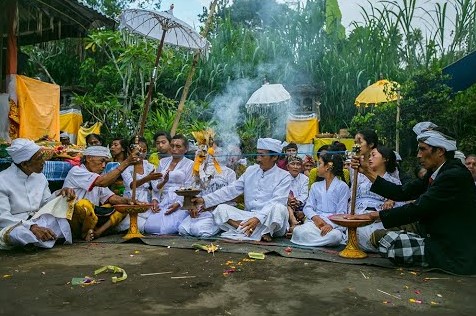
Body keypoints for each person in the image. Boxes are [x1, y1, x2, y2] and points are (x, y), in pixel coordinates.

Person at [347, 122, 476, 275]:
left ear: (440, 151)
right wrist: (367, 171)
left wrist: (374, 215)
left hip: (451, 251)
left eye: (422, 149)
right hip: (431, 230)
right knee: (378, 233)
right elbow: (402, 192)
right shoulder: (435, 172)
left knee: (383, 239)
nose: (418, 155)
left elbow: (419, 208)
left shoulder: (453, 175)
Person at [192, 138, 291, 242]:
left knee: (279, 208)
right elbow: (231, 190)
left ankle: (260, 231)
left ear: (274, 157)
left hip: (269, 219)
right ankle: (250, 231)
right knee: (221, 209)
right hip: (248, 216)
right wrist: (203, 200)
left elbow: (277, 201)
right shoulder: (251, 170)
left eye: (262, 155)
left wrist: (258, 219)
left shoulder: (284, 176)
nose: (258, 159)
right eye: (257, 155)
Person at [0, 139, 75, 249]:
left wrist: (60, 193)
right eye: (39, 158)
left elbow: (45, 203)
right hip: (15, 224)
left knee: (62, 212)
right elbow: (3, 217)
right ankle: (40, 239)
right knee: (19, 234)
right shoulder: (2, 180)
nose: (43, 161)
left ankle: (40, 239)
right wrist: (31, 227)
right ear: (25, 164)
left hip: (37, 219)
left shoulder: (40, 177)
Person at [64, 146, 138, 241]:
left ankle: (97, 232)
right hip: (75, 218)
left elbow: (111, 197)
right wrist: (127, 162)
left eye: (105, 163)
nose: (103, 166)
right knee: (83, 205)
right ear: (88, 158)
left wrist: (129, 201)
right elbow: (103, 182)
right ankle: (84, 234)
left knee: (124, 207)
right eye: (101, 161)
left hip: (93, 216)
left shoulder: (97, 176)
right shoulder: (76, 171)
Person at [291, 153, 350, 246]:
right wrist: (316, 218)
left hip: (333, 225)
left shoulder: (342, 187)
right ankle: (321, 241)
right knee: (298, 231)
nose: (317, 168)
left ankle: (311, 241)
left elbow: (342, 212)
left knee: (335, 236)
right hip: (315, 222)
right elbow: (308, 207)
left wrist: (330, 225)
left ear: (328, 167)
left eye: (320, 164)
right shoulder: (315, 186)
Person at [178, 146, 237, 237]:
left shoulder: (229, 173)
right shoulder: (200, 171)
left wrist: (210, 205)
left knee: (200, 231)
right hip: (200, 210)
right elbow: (192, 191)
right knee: (182, 229)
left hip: (216, 211)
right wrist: (192, 206)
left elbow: (232, 196)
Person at [354, 145, 403, 252]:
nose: (370, 158)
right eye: (369, 156)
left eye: (374, 155)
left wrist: (391, 201)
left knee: (375, 234)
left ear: (385, 159)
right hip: (358, 215)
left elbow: (401, 204)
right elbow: (353, 198)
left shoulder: (393, 182)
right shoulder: (362, 179)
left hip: (377, 219)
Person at [144, 134, 194, 235]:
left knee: (167, 229)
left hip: (180, 202)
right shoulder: (163, 162)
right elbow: (156, 184)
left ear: (186, 149)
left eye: (178, 146)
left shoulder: (190, 164)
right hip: (163, 200)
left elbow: (190, 187)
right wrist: (155, 200)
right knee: (149, 227)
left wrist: (179, 203)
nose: (174, 149)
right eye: (172, 146)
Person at [115, 137, 162, 233]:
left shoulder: (150, 166)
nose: (141, 153)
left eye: (144, 151)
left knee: (154, 225)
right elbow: (132, 185)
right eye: (138, 150)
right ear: (129, 150)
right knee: (136, 226)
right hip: (131, 200)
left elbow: (155, 187)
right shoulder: (125, 166)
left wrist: (154, 199)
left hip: (146, 202)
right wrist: (147, 178)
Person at [286, 156, 309, 231]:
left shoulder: (305, 179)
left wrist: (297, 202)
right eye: (293, 164)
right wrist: (289, 200)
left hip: (299, 205)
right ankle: (293, 222)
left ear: (301, 167)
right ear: (288, 166)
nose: (295, 167)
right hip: (286, 203)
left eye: (298, 164)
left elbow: (304, 194)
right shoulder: (282, 177)